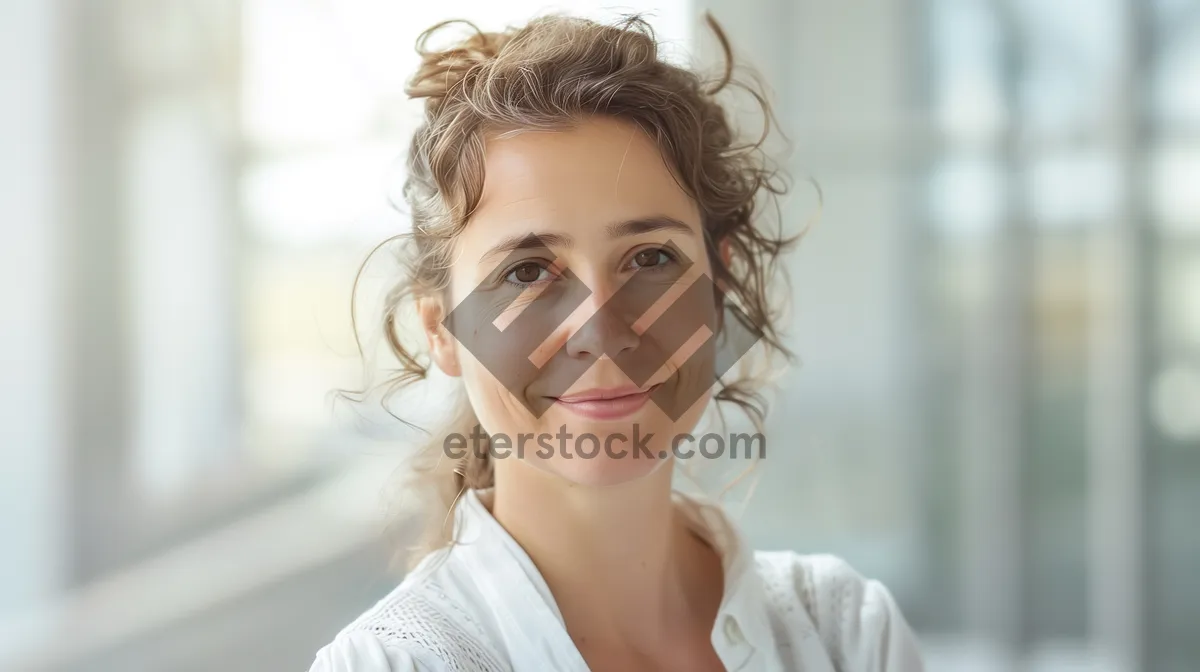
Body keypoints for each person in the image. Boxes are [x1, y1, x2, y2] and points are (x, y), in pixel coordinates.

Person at [310, 11, 924, 672]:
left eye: (651, 259)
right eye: (526, 272)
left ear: (717, 292)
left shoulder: (845, 633)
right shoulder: (394, 664)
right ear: (443, 331)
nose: (602, 332)